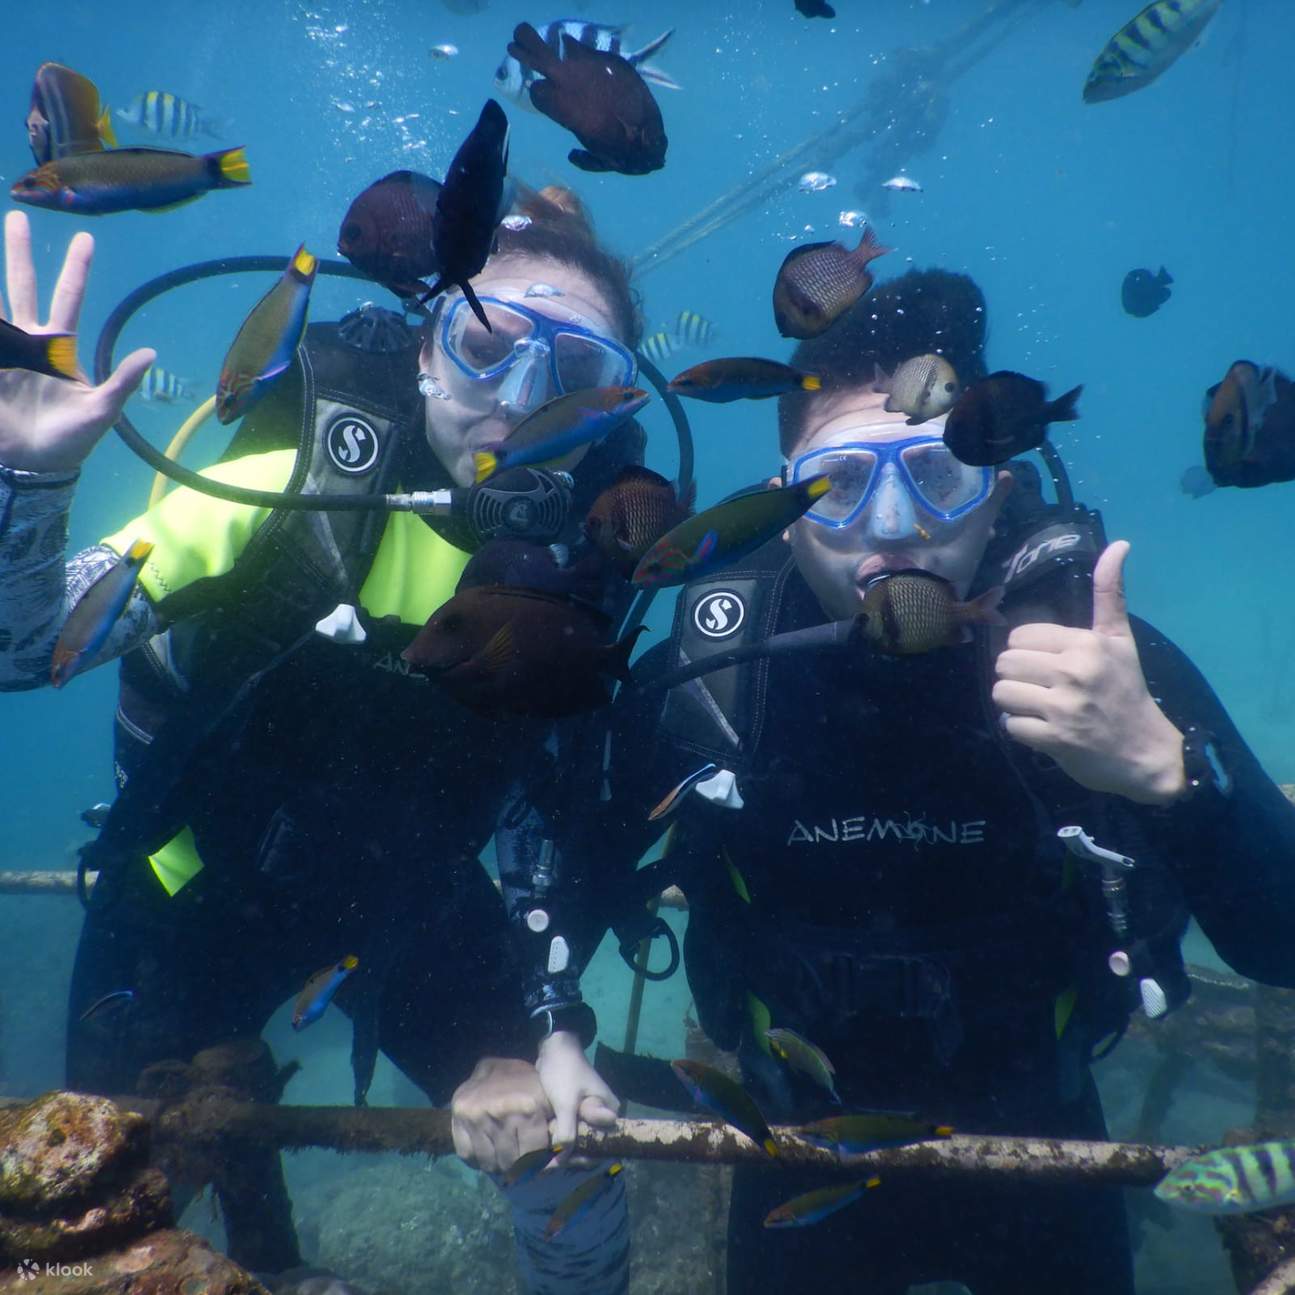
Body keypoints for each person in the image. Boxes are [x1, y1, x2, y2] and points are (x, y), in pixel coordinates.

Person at [454, 268, 1295, 1294]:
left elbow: (1279, 942)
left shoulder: (1102, 659)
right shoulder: (717, 670)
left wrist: (1167, 773)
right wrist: (545, 1029)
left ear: (999, 478)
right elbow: (570, 866)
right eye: (841, 483)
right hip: (791, 1141)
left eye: (939, 474)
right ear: (782, 497)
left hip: (1040, 1131)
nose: (893, 527)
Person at [0, 187, 639, 1288]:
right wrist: (29, 476)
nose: (521, 400)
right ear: (428, 348)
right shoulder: (289, 489)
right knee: (88, 1203)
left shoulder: (586, 573)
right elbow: (21, 646)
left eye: (572, 373)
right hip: (187, 895)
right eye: (486, 345)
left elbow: (547, 806)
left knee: (568, 1161)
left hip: (419, 905)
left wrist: (543, 1021)